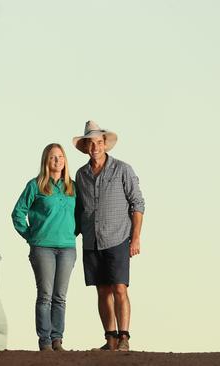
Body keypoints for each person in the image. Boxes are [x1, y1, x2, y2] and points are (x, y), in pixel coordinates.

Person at [72, 120, 145, 352]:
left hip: (118, 238)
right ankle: (110, 338)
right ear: (85, 147)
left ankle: (124, 337)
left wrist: (135, 238)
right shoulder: (81, 174)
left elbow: (138, 204)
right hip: (92, 241)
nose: (95, 147)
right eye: (91, 143)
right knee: (102, 290)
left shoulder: (123, 169)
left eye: (99, 142)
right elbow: (78, 208)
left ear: (105, 145)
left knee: (120, 288)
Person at [11, 143, 77, 352]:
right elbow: (18, 213)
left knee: (60, 296)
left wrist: (72, 233)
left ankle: (57, 340)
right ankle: (45, 342)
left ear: (65, 160)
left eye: (60, 157)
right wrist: (31, 235)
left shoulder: (72, 187)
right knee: (45, 295)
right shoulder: (35, 186)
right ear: (46, 161)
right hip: (43, 248)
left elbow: (82, 214)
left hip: (67, 248)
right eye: (52, 157)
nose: (57, 160)